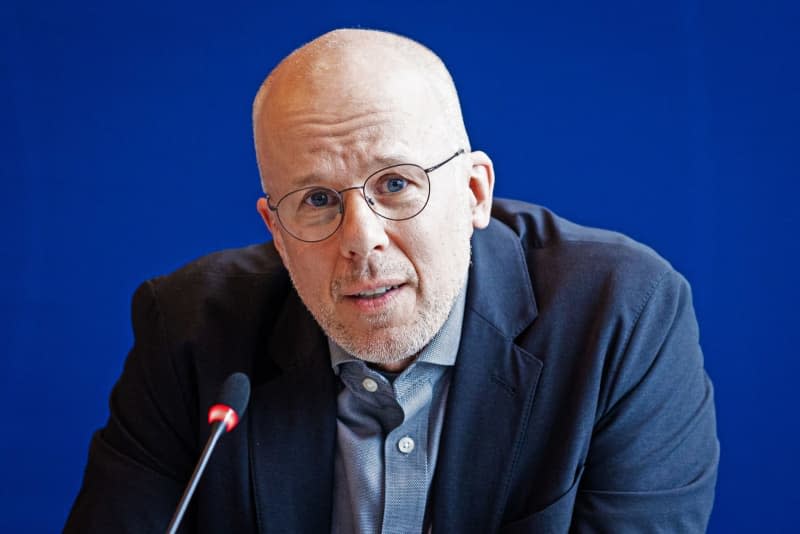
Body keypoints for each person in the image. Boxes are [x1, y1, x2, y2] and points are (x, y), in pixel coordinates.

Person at [65, 29, 719, 533]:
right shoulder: (188, 331)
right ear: (275, 228)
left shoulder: (622, 315)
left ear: (473, 194)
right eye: (316, 200)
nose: (361, 240)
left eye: (397, 184)